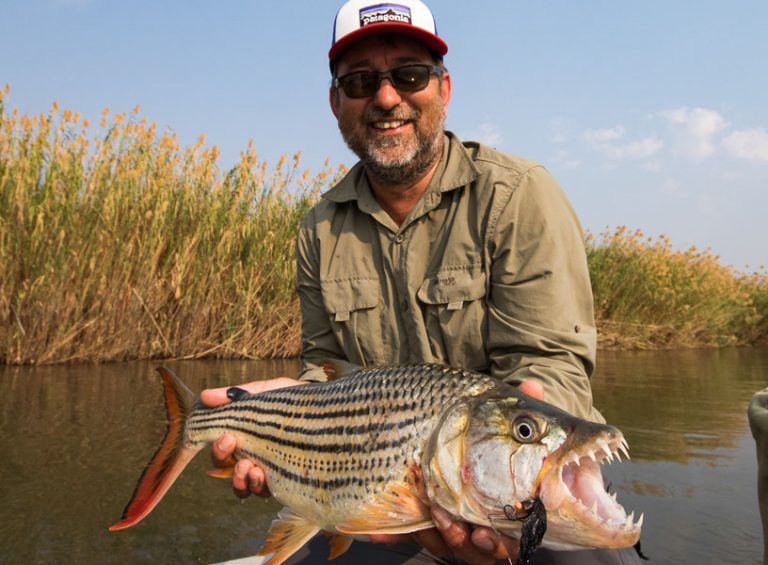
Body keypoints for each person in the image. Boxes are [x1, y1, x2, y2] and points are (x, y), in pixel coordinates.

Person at [201, 1, 640, 563]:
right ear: (337, 103)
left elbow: (552, 363)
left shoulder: (519, 195)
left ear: (444, 88)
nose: (386, 98)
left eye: (409, 74)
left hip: (511, 488)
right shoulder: (318, 227)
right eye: (360, 82)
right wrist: (289, 425)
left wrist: (520, 444)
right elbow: (325, 363)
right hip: (374, 492)